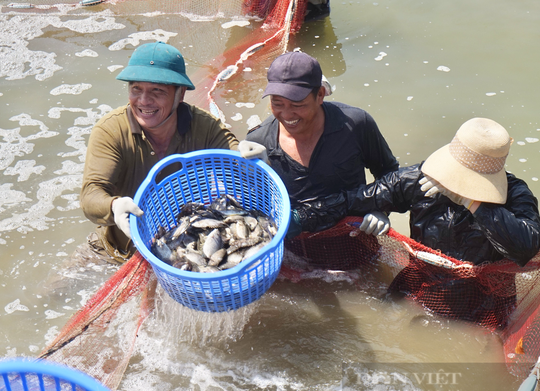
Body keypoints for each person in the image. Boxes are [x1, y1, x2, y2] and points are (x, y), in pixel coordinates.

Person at [80, 41, 239, 263]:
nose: (144, 101)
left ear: (180, 94)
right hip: (116, 251)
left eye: (157, 90)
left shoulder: (204, 127)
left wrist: (253, 155)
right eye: (136, 89)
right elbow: (90, 195)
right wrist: (114, 206)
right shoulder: (110, 131)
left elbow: (238, 160)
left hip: (183, 250)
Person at [239, 51, 399, 238]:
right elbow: (255, 208)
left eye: (298, 105)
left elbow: (390, 173)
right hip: (294, 249)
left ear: (320, 95)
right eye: (277, 103)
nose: (287, 114)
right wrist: (249, 171)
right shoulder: (258, 143)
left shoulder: (356, 124)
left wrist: (382, 209)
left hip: (356, 238)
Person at [348, 117, 540, 267]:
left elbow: (526, 249)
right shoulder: (422, 177)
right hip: (421, 281)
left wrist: (475, 205)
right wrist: (380, 211)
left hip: (482, 299)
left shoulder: (516, 192)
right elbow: (352, 200)